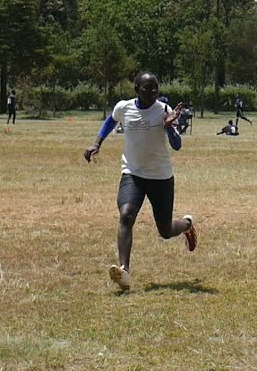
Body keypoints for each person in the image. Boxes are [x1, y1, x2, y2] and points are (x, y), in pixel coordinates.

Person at [83, 72, 197, 292]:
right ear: (136, 89)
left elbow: (177, 146)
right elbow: (111, 120)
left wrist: (168, 126)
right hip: (132, 173)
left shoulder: (163, 110)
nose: (153, 92)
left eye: (155, 88)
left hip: (160, 177)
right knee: (126, 215)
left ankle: (187, 224)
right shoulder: (124, 107)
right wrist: (97, 143)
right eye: (147, 88)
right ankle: (124, 271)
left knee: (165, 230)